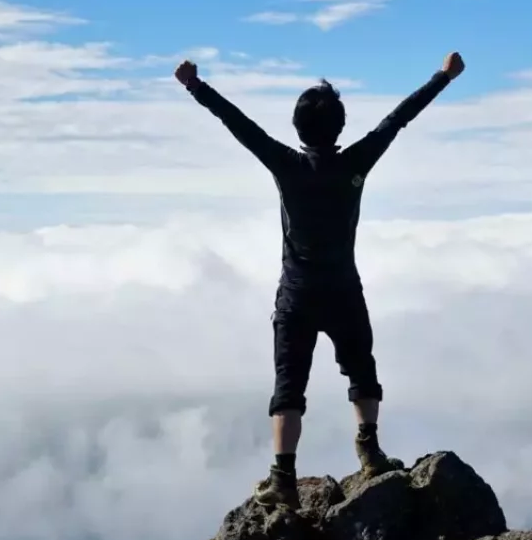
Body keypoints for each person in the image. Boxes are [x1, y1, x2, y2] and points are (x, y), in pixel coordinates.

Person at [174, 52, 466, 510]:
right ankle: (368, 450)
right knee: (361, 371)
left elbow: (239, 124)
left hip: (296, 295)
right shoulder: (357, 161)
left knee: (288, 386)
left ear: (297, 127)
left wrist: (195, 86)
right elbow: (398, 119)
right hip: (344, 290)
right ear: (339, 127)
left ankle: (282, 478)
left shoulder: (286, 164)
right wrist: (443, 77)